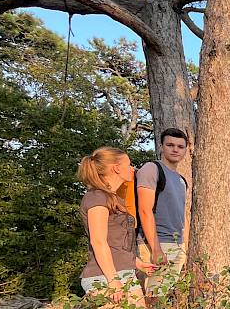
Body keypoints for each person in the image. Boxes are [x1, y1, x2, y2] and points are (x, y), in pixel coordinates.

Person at [77, 147, 155, 307]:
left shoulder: (114, 199)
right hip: (105, 277)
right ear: (117, 168)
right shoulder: (96, 197)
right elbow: (98, 242)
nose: (132, 169)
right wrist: (113, 281)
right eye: (129, 164)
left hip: (123, 272)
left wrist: (136, 262)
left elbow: (116, 242)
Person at [136, 128, 189, 300]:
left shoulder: (182, 180)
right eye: (170, 145)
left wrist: (184, 246)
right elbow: (144, 210)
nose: (175, 149)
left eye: (180, 146)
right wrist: (156, 248)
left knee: (163, 296)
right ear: (161, 146)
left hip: (176, 244)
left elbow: (182, 215)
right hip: (155, 243)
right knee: (152, 297)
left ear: (186, 150)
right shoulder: (152, 169)